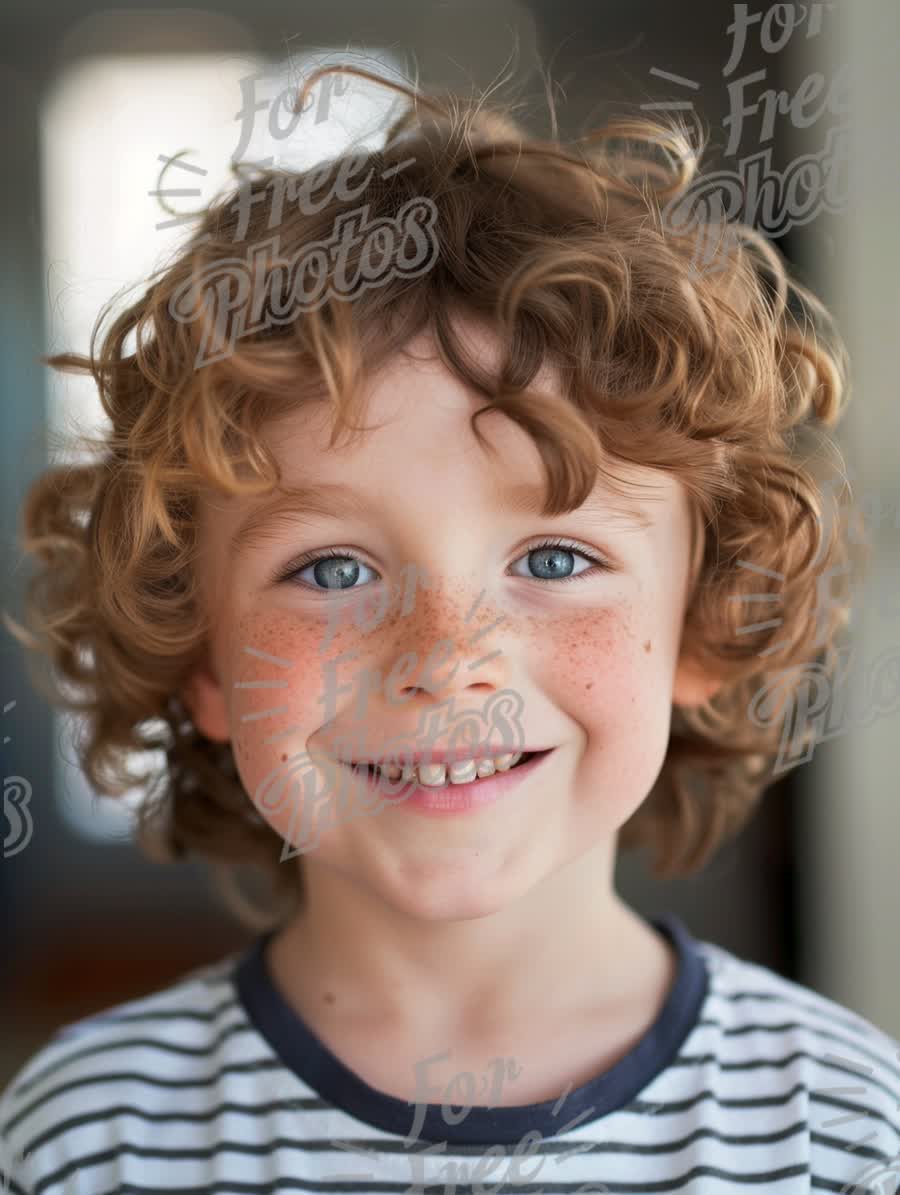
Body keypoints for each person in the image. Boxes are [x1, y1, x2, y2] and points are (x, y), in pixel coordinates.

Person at [2, 65, 898, 1193]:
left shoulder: (841, 1127)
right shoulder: (87, 1137)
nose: (445, 655)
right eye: (331, 567)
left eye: (557, 559)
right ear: (202, 654)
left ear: (702, 627)